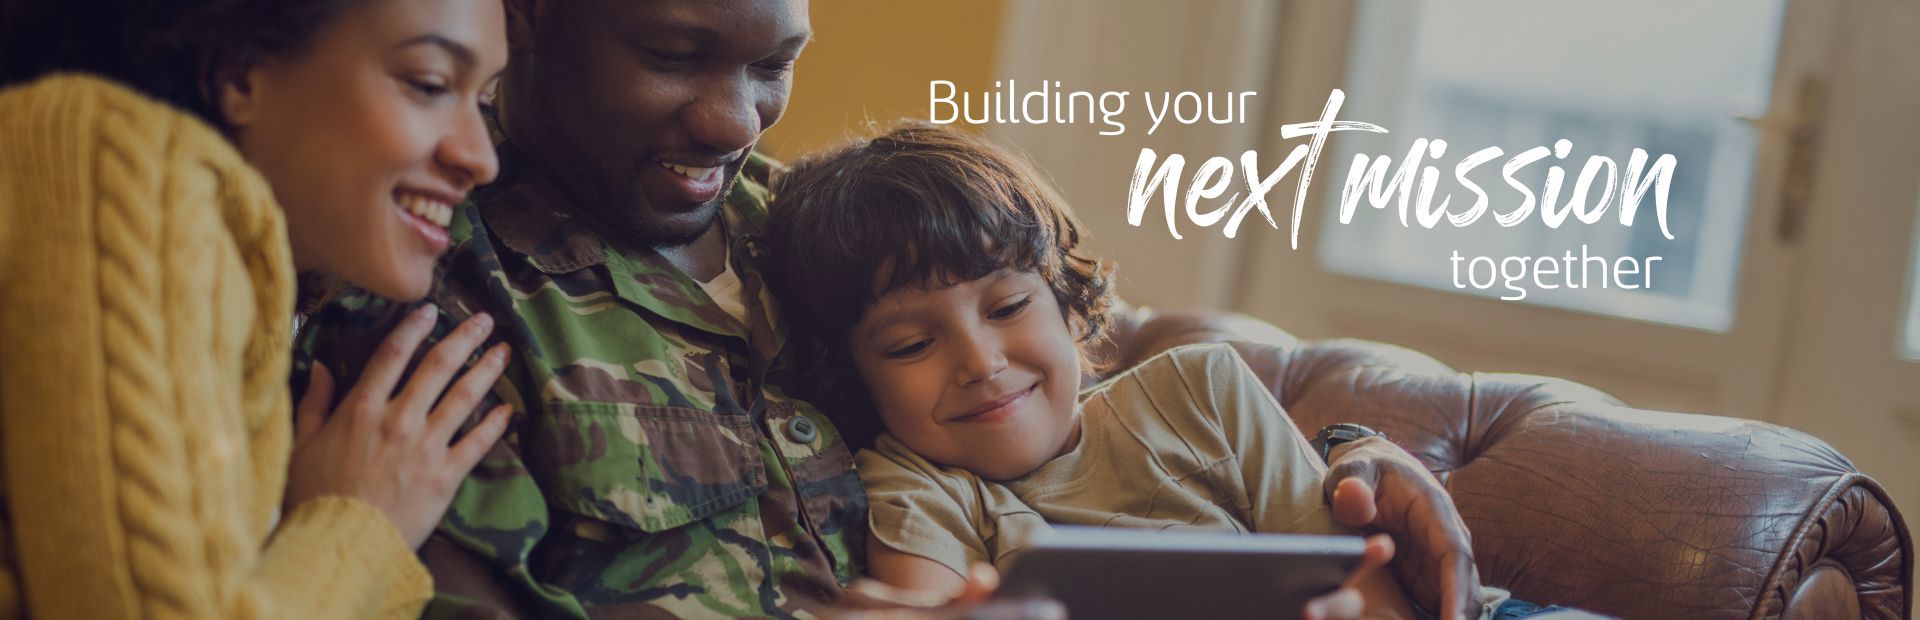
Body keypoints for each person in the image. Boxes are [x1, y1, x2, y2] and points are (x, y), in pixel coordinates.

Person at [292, 0, 1492, 618]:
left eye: (774, 65)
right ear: (531, 19)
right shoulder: (437, 279)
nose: (735, 119)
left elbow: (1082, 395)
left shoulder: (815, 227)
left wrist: (1359, 459)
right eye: (674, 53)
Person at [763, 122, 1423, 619]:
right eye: (910, 345)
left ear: (1067, 306)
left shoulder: (1204, 392)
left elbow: (1371, 594)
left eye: (1010, 305)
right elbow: (933, 603)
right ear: (854, 379)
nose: (981, 363)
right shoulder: (916, 488)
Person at [0, 0, 513, 616]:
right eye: (429, 85)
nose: (481, 158)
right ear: (239, 73)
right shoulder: (121, 162)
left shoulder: (238, 265)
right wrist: (362, 523)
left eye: (484, 101)